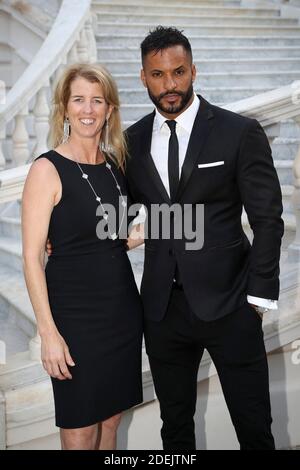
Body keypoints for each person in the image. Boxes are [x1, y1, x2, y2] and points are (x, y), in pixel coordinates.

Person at [125, 27, 284, 450]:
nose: (170, 85)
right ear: (143, 77)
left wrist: (259, 297)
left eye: (178, 72)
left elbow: (267, 218)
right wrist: (65, 236)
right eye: (157, 75)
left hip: (231, 304)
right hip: (162, 311)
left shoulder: (238, 132)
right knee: (175, 431)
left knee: (254, 429)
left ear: (193, 69)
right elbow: (118, 213)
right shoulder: (132, 141)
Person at [22, 63, 143, 450]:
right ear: (64, 107)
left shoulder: (114, 166)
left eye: (97, 100)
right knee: (80, 429)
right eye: (78, 100)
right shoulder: (46, 169)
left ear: (110, 109)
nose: (87, 109)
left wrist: (161, 229)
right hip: (74, 319)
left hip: (122, 312)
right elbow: (30, 258)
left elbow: (112, 239)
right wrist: (48, 334)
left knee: (110, 423)